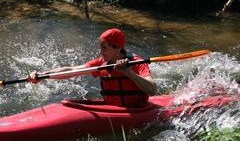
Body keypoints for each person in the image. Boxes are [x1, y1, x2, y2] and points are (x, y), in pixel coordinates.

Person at [28, 28, 157, 107]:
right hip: (111, 108)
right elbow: (72, 71)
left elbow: (152, 90)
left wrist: (129, 73)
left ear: (118, 48)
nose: (101, 53)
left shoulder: (136, 62)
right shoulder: (101, 63)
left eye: (104, 49)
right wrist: (42, 75)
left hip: (137, 109)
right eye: (100, 49)